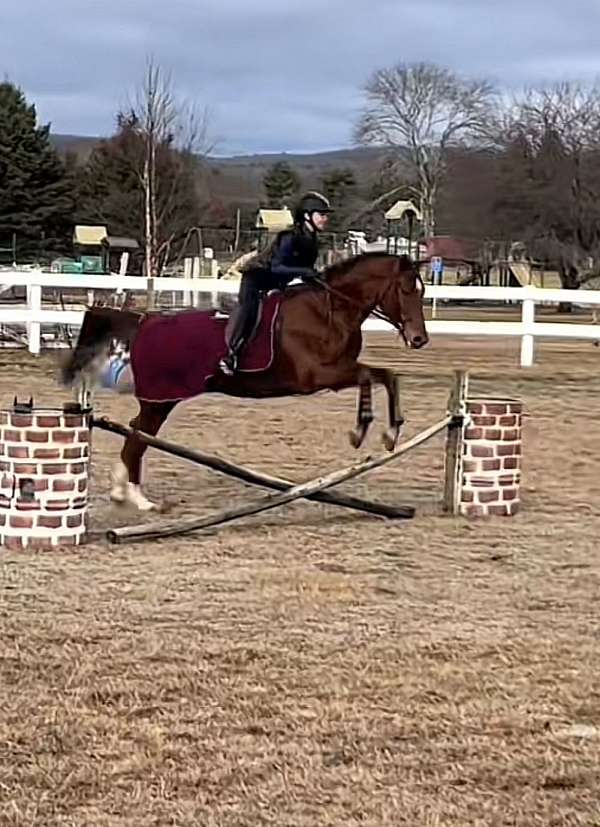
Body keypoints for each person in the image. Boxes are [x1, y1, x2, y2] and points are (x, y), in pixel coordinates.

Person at [218, 191, 331, 375]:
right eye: (322, 214)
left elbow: (305, 273)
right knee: (251, 314)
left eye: (326, 215)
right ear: (307, 216)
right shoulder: (289, 237)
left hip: (277, 285)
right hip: (256, 280)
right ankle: (232, 356)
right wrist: (305, 272)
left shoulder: (312, 242)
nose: (325, 219)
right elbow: (276, 267)